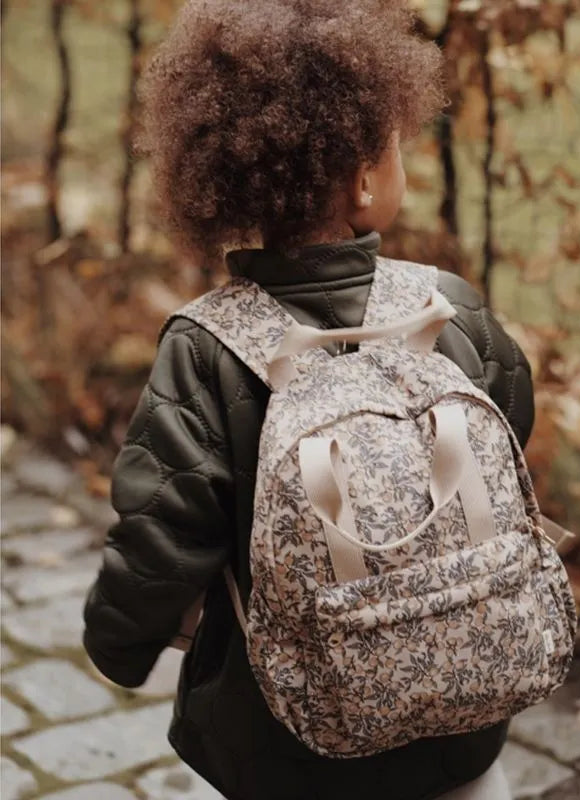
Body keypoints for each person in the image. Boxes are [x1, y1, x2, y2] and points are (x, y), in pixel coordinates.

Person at [83, 2, 534, 798]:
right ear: (365, 179)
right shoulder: (448, 310)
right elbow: (510, 436)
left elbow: (164, 530)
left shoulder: (206, 350)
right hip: (464, 710)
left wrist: (120, 645)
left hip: (287, 735)